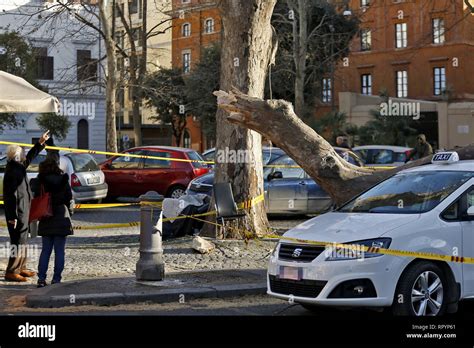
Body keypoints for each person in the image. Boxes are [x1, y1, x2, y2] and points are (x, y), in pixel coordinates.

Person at [3, 131, 50, 282]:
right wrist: (12, 217)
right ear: (16, 156)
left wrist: (40, 143)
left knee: (23, 240)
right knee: (17, 241)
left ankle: (21, 268)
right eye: (21, 153)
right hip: (17, 213)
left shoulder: (17, 166)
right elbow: (10, 196)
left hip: (23, 210)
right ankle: (11, 271)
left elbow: (30, 157)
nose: (24, 155)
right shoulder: (12, 170)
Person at [31, 153, 74, 288]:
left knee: (45, 250)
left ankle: (41, 279)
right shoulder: (63, 180)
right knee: (60, 251)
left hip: (46, 217)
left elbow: (35, 196)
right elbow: (69, 198)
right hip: (61, 216)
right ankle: (56, 279)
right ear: (57, 167)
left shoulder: (40, 181)